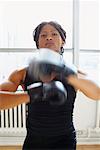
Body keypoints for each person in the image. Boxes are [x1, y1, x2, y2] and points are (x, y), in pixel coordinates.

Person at [0, 21, 100, 150]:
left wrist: (65, 74)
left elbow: (97, 93)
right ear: (37, 43)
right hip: (34, 140)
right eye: (43, 35)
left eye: (54, 34)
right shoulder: (23, 73)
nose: (49, 37)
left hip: (65, 140)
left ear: (63, 41)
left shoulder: (74, 73)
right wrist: (31, 95)